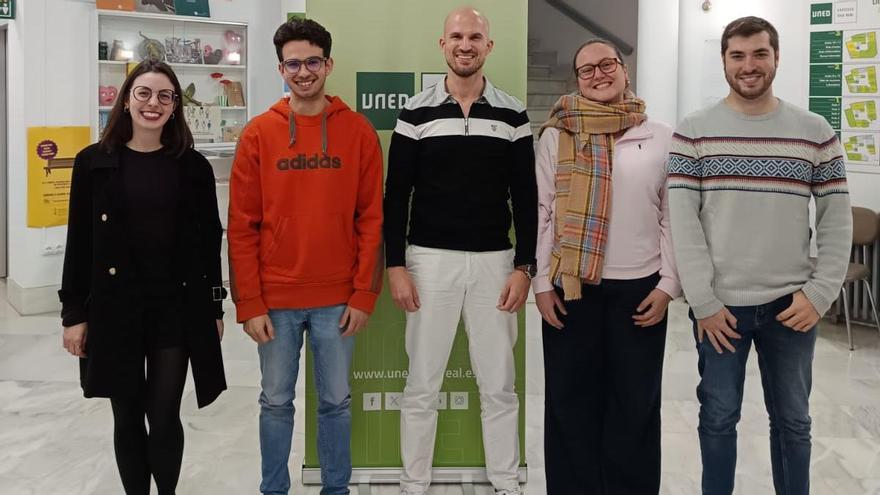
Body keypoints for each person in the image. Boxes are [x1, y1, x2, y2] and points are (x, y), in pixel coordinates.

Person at [667, 16, 852, 495]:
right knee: (718, 419)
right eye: (738, 55)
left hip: (791, 307)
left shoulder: (814, 131)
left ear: (776, 57)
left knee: (793, 422)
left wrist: (820, 293)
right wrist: (703, 302)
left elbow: (836, 219)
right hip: (720, 310)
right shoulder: (694, 132)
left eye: (759, 54)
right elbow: (683, 223)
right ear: (725, 60)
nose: (749, 66)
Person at [227, 18, 384, 495]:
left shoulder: (358, 132)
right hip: (274, 301)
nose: (303, 71)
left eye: (312, 61)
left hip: (337, 300)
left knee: (335, 403)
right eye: (293, 63)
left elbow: (371, 219)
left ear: (328, 64)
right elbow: (241, 226)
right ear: (281, 68)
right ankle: (273, 489)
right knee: (275, 403)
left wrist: (363, 293)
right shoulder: (257, 135)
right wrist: (248, 302)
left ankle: (335, 490)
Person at [384, 7, 536, 495]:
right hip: (428, 263)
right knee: (422, 385)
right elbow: (396, 194)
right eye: (456, 36)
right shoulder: (414, 112)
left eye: (474, 36)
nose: (464, 44)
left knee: (498, 385)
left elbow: (527, 197)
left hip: (496, 264)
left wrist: (524, 266)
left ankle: (506, 480)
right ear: (442, 44)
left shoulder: (513, 114)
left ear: (488, 46)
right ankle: (414, 482)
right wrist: (395, 265)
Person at [60, 58, 227, 495]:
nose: (154, 103)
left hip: (175, 308)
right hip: (116, 310)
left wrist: (214, 306)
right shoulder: (92, 163)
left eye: (165, 96)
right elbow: (80, 242)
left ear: (175, 107)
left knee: (165, 413)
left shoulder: (194, 168)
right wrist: (73, 313)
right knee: (127, 415)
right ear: (128, 100)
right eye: (145, 93)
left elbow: (210, 243)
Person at [534, 38, 681, 494]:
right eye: (586, 70)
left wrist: (669, 284)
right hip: (571, 290)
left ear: (624, 70)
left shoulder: (660, 135)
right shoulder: (557, 135)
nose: (598, 74)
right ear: (575, 79)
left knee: (635, 405)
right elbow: (543, 213)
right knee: (569, 404)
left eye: (606, 65)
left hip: (639, 292)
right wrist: (541, 281)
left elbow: (672, 215)